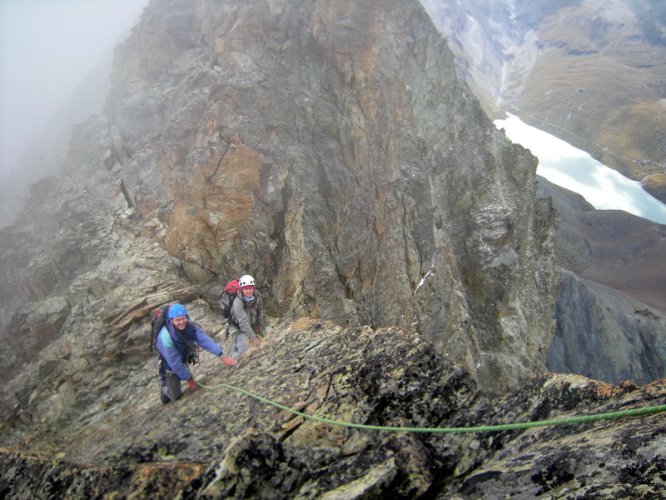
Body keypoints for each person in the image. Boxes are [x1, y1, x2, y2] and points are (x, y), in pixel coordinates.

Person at [155, 303, 236, 404]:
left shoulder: (190, 325)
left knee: (181, 366)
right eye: (178, 320)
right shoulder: (165, 337)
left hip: (182, 352)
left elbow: (204, 340)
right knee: (175, 396)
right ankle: (164, 389)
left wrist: (222, 356)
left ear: (186, 317)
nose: (181, 322)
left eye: (183, 318)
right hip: (169, 363)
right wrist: (189, 379)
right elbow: (174, 362)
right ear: (171, 321)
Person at [228, 274, 265, 360]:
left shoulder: (257, 296)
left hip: (251, 321)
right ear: (242, 289)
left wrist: (261, 326)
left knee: (265, 336)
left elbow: (260, 311)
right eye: (245, 289)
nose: (248, 291)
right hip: (236, 327)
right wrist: (254, 338)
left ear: (253, 288)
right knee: (243, 350)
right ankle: (231, 363)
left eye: (250, 288)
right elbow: (243, 322)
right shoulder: (238, 302)